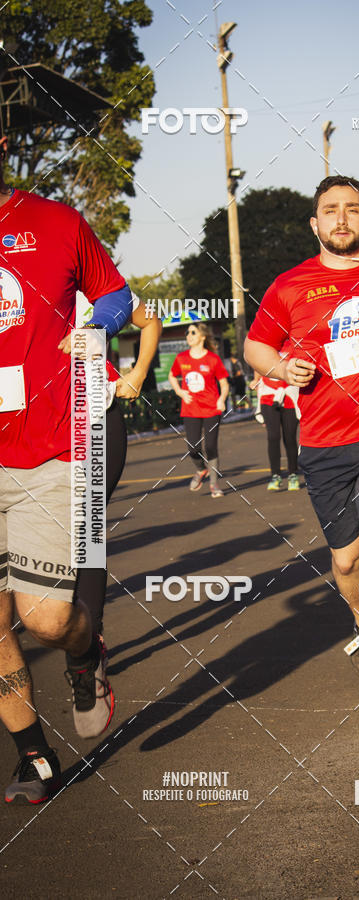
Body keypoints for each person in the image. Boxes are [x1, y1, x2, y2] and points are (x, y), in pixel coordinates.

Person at [245, 174, 359, 717]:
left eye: (353, 208)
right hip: (325, 441)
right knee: (347, 563)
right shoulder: (289, 285)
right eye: (331, 210)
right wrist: (282, 366)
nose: (342, 218)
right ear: (315, 223)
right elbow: (256, 346)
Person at [0, 133, 133, 803]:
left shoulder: (55, 222)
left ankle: (84, 652)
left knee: (48, 621)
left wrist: (96, 326)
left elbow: (117, 295)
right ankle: (34, 756)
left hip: (51, 442)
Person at [60, 299, 162, 665]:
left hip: (97, 419)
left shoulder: (96, 289)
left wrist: (136, 374)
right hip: (33, 426)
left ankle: (88, 650)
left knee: (87, 529)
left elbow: (150, 320)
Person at [168, 323, 229, 497]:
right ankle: (201, 469)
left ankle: (214, 485)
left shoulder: (213, 359)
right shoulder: (181, 358)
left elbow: (224, 383)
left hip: (211, 408)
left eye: (193, 332)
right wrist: (179, 391)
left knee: (210, 446)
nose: (188, 335)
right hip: (191, 408)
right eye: (187, 333)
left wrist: (221, 399)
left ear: (202, 336)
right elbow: (172, 376)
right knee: (193, 447)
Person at [250, 370, 300, 491]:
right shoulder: (265, 350)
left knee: (290, 437)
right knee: (273, 436)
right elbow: (258, 366)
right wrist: (255, 381)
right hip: (268, 396)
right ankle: (275, 475)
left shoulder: (292, 350)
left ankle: (293, 474)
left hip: (290, 394)